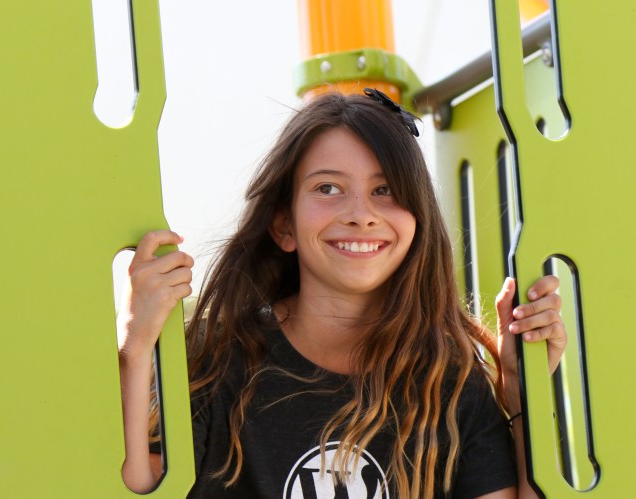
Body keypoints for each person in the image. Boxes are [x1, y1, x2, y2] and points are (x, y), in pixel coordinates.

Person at [115, 90, 566, 498]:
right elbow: (135, 485)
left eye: (385, 190)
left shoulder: (448, 380)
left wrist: (522, 392)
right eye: (327, 188)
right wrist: (134, 345)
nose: (360, 214)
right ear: (284, 225)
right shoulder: (216, 358)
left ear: (418, 219)